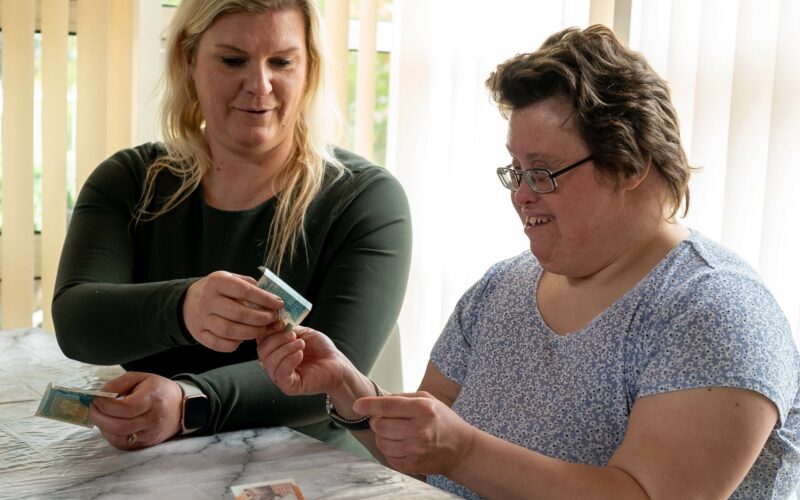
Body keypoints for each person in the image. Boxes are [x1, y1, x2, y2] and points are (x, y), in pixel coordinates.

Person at [257, 25, 800, 498]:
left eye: (542, 172)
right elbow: (424, 455)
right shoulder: (503, 287)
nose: (521, 195)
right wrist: (354, 396)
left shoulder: (716, 312)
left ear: (630, 162)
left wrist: (463, 452)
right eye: (515, 171)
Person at [52, 0, 411, 457]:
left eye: (281, 61)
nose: (259, 85)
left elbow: (334, 371)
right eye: (232, 60)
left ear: (309, 69)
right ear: (188, 60)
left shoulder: (365, 199)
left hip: (308, 462)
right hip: (146, 464)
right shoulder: (128, 182)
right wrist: (184, 307)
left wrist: (189, 403)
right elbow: (76, 322)